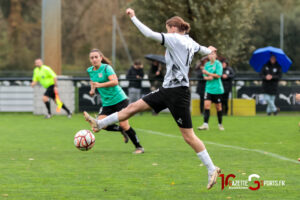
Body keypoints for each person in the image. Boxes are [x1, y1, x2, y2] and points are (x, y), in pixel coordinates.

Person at [84, 8, 220, 189]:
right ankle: (99, 124)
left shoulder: (174, 38)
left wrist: (133, 17)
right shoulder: (190, 41)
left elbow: (148, 34)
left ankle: (212, 168)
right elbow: (203, 50)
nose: (166, 31)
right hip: (167, 90)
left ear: (172, 28)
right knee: (132, 107)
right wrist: (209, 50)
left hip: (178, 94)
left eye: (167, 28)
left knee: (188, 136)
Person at [87, 48, 144, 154]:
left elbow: (115, 82)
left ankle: (139, 147)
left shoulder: (106, 68)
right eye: (92, 58)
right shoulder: (90, 70)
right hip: (107, 103)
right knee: (100, 125)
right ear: (90, 60)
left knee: (124, 125)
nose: (94, 59)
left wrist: (100, 85)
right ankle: (121, 131)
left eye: (96, 57)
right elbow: (93, 82)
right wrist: (92, 90)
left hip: (120, 100)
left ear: (101, 58)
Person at [197, 51, 225, 131]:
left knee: (218, 107)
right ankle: (205, 125)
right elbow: (204, 76)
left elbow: (218, 75)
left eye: (212, 54)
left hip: (217, 89)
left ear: (215, 55)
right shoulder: (207, 64)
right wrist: (207, 77)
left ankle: (220, 124)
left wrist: (208, 73)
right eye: (209, 54)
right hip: (208, 89)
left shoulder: (218, 64)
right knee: (206, 106)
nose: (211, 56)